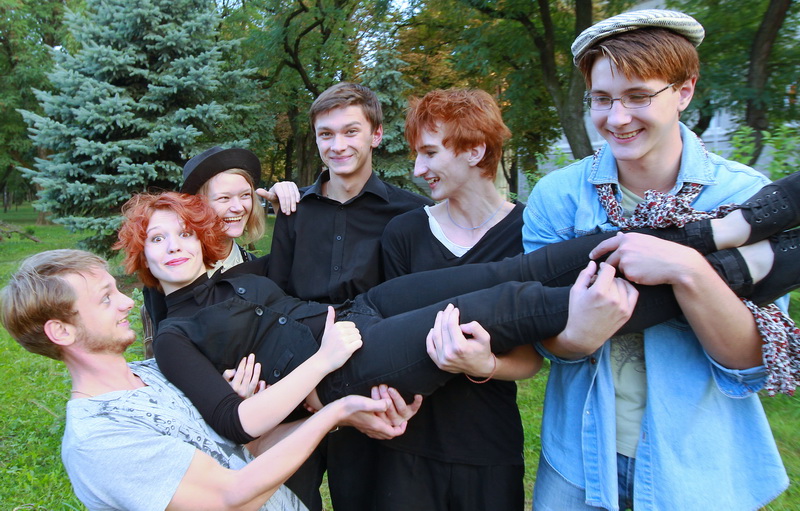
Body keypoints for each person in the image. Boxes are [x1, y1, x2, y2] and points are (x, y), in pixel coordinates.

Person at [116, 186, 799, 457]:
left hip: (360, 315)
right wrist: (323, 362)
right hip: (346, 364)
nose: (173, 246)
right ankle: (742, 271)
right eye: (157, 240)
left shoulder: (240, 275)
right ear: (141, 257)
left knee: (516, 268)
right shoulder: (173, 336)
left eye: (183, 232)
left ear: (203, 238)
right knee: (507, 307)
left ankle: (724, 232)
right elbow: (238, 423)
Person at [522, 9, 793, 510]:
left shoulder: (744, 196)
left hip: (697, 466)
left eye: (638, 96)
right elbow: (541, 335)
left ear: (684, 91)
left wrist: (687, 268)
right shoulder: (557, 197)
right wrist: (579, 335)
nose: (617, 118)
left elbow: (750, 362)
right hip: (578, 460)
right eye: (602, 99)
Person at [0, 249, 405, 511]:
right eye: (106, 298)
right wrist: (335, 409)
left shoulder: (155, 374)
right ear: (61, 332)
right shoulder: (99, 439)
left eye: (117, 291)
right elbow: (231, 497)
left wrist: (339, 417)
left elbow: (247, 451)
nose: (126, 302)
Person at [260, 82, 433, 510]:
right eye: (326, 134)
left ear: (376, 134)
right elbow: (276, 298)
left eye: (350, 131)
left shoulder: (410, 214)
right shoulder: (294, 210)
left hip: (369, 382)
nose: (337, 145)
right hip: (296, 379)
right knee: (287, 500)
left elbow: (410, 306)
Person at [376, 88, 531, 510]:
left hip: (488, 447)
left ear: (474, 150)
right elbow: (388, 338)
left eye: (429, 153)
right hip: (407, 445)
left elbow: (534, 355)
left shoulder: (528, 233)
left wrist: (487, 365)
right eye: (417, 154)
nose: (417, 169)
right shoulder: (404, 233)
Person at [142, 146, 268, 357]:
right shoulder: (171, 273)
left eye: (245, 195)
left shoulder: (256, 268)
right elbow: (170, 348)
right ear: (197, 207)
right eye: (224, 198)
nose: (238, 207)